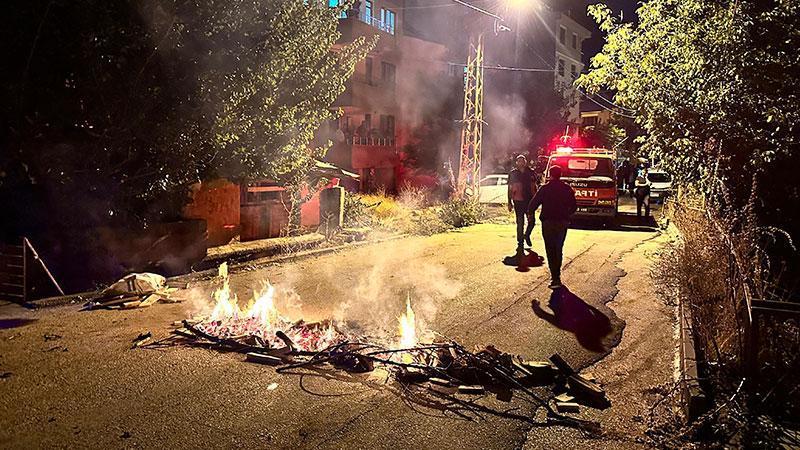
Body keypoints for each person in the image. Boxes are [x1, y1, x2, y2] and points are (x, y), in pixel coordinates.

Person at [527, 165, 577, 289]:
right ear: (560, 175)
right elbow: (574, 206)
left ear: (550, 174)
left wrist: (530, 215)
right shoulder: (567, 189)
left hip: (548, 222)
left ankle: (554, 277)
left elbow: (533, 204)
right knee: (558, 248)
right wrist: (566, 215)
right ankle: (557, 276)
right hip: (562, 222)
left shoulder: (545, 189)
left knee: (550, 249)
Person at [508, 155, 536, 248]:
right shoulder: (513, 173)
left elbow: (534, 186)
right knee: (520, 222)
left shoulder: (530, 172)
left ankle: (527, 235)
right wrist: (509, 202)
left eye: (523, 161)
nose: (521, 163)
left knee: (532, 221)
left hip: (529, 201)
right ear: (516, 162)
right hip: (518, 201)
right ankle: (520, 242)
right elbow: (510, 188)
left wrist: (536, 200)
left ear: (525, 162)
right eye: (519, 161)